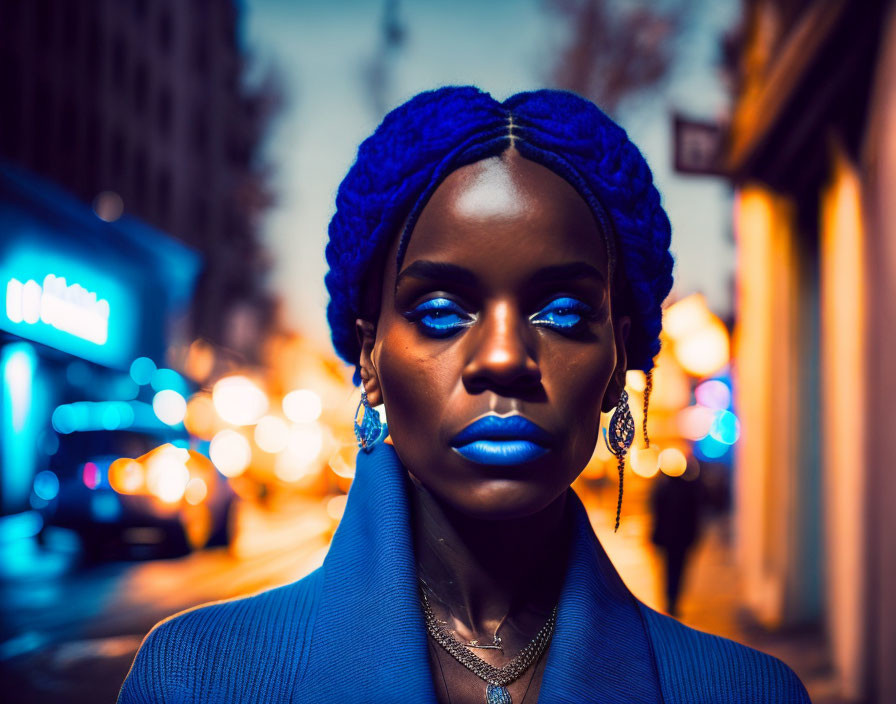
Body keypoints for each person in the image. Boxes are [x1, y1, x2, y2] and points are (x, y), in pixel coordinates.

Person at [118, 87, 810, 703]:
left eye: (563, 311)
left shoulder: (749, 693)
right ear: (370, 356)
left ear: (620, 356)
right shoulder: (194, 679)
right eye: (442, 311)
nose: (504, 357)